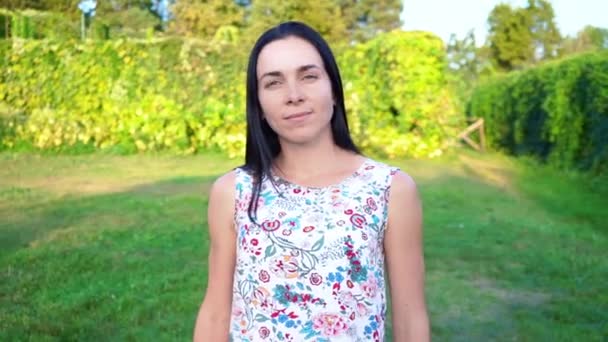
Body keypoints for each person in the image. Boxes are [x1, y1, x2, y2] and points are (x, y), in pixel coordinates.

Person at [193, 21, 429, 342]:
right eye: (274, 83)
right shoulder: (234, 193)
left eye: (308, 76)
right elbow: (215, 313)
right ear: (259, 105)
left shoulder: (389, 189)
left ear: (333, 89)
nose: (294, 96)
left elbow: (410, 316)